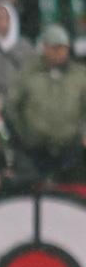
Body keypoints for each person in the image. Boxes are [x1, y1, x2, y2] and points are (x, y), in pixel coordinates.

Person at [7, 24, 86, 177]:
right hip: (35, 149)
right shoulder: (28, 71)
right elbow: (12, 106)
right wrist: (24, 134)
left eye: (62, 48)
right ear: (45, 47)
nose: (58, 53)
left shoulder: (80, 76)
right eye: (53, 47)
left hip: (70, 148)